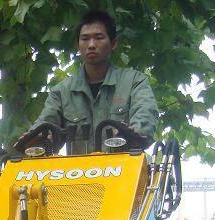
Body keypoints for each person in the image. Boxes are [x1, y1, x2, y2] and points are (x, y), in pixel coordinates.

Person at [26, 10, 158, 152]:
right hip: (78, 173)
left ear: (113, 43)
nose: (91, 45)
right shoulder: (61, 92)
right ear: (78, 45)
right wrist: (35, 139)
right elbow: (44, 126)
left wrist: (130, 135)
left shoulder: (134, 82)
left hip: (125, 169)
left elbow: (145, 118)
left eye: (99, 37)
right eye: (85, 39)